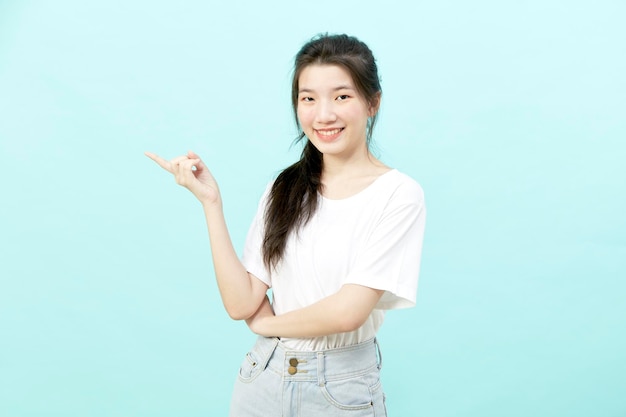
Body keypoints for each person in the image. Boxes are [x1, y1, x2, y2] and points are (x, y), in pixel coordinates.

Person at [146, 33, 426, 417]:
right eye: (308, 98)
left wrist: (268, 326)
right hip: (262, 378)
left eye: (341, 96)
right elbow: (242, 301)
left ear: (372, 102)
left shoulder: (397, 194)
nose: (323, 114)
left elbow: (348, 311)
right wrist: (212, 203)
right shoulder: (286, 187)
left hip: (340, 389)